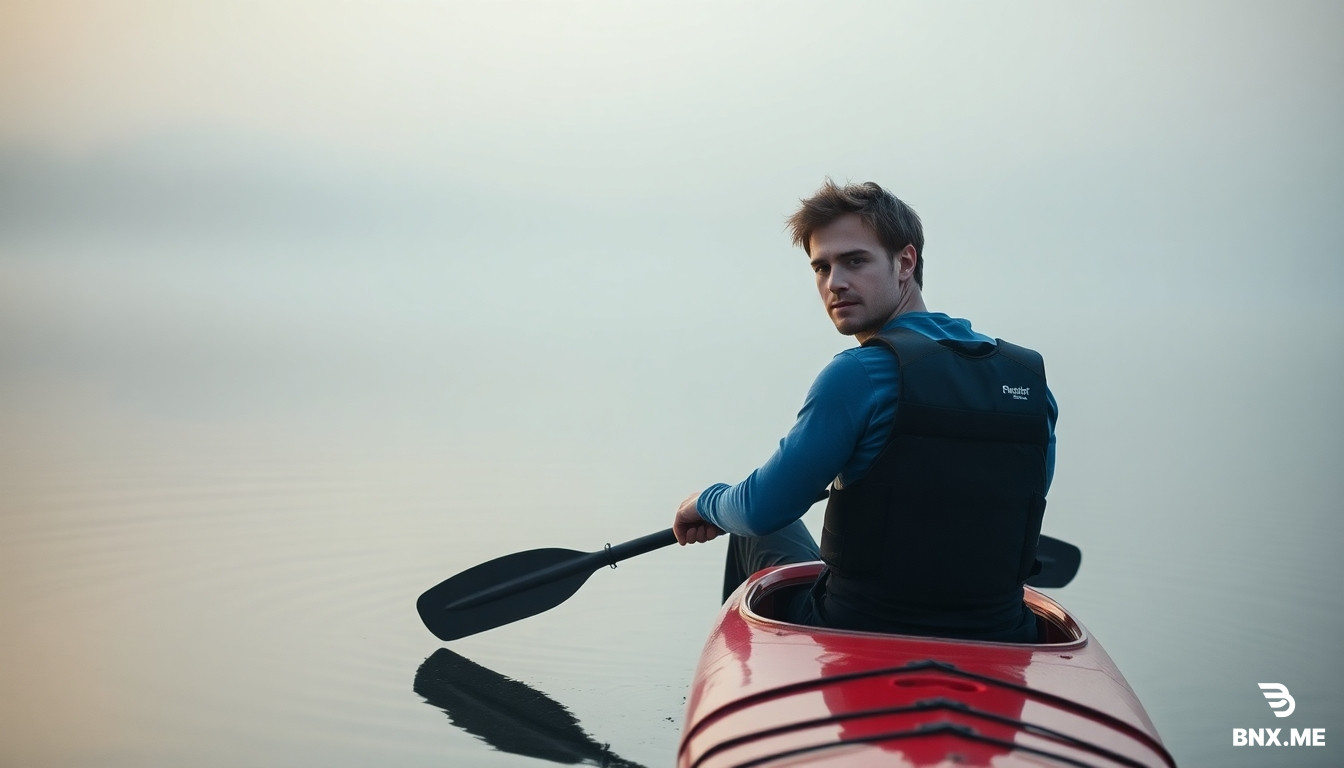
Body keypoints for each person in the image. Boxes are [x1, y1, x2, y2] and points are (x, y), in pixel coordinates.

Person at [671, 179, 1057, 643]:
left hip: (857, 631)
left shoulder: (860, 373)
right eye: (822, 267)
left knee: (758, 526)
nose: (836, 283)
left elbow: (758, 509)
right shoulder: (1027, 378)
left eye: (855, 261)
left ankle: (733, 695)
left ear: (905, 263)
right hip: (1001, 632)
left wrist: (707, 502)